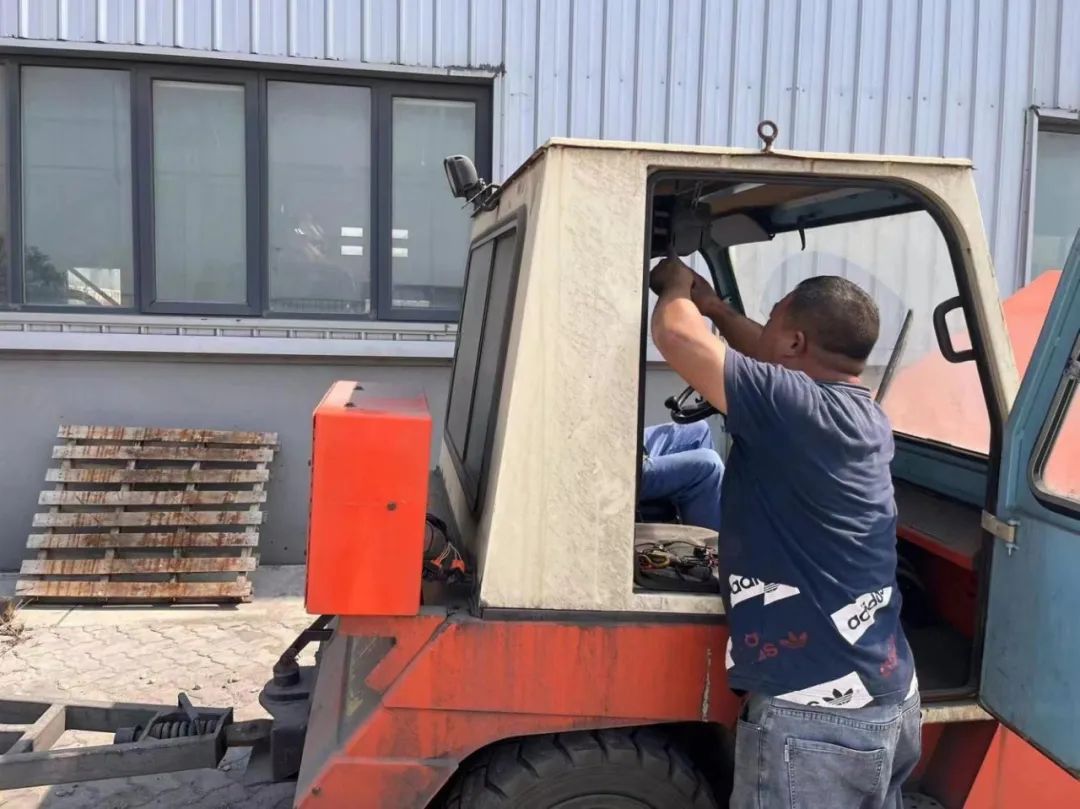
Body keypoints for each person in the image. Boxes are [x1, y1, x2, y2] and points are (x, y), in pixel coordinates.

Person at [649, 254, 919, 809]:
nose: (762, 329)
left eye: (772, 319)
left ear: (795, 343)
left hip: (816, 720)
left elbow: (676, 336)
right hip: (888, 695)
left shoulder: (795, 408)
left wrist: (674, 285)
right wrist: (716, 307)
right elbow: (766, 350)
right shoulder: (861, 412)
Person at [639, 421, 724, 533]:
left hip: (630, 443)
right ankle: (708, 540)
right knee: (710, 466)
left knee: (700, 429)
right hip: (623, 465)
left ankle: (704, 513)